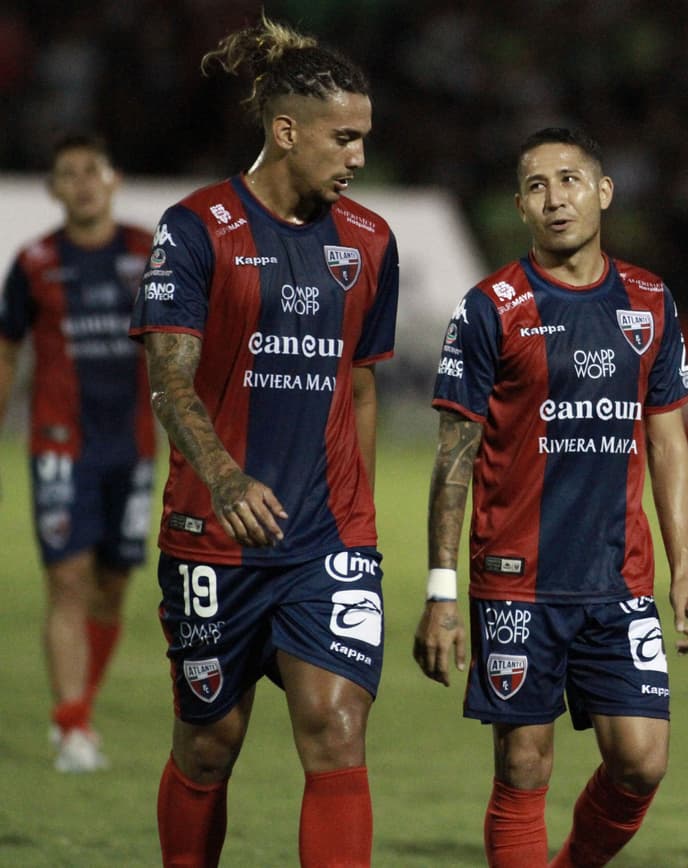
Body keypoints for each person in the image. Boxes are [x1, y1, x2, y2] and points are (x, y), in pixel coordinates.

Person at [129, 17, 398, 866]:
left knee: (334, 724)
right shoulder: (196, 228)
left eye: (364, 139)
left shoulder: (369, 241)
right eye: (343, 139)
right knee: (209, 744)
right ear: (286, 132)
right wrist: (225, 477)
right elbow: (169, 378)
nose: (357, 157)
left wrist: (360, 518)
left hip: (328, 536)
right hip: (216, 536)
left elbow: (359, 383)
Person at [413, 127, 688, 867]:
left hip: (620, 579)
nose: (557, 198)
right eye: (539, 186)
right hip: (518, 578)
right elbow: (454, 453)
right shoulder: (492, 308)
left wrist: (684, 570)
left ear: (603, 192)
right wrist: (442, 593)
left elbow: (668, 441)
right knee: (523, 767)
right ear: (520, 206)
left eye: (571, 180)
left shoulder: (648, 301)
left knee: (642, 761)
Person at [0, 132, 154, 773]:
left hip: (135, 448)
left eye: (93, 170)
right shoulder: (34, 262)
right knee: (66, 580)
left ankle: (79, 711)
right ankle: (72, 724)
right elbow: (7, 349)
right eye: (70, 173)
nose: (83, 182)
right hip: (60, 446)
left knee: (111, 587)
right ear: (54, 189)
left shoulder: (151, 255)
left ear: (113, 179)